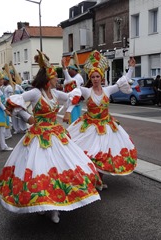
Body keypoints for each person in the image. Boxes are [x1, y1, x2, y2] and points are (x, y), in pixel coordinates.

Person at [0, 50, 101, 224]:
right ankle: (43, 203)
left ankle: (55, 207)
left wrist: (67, 112)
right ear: (47, 79)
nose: (57, 80)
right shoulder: (36, 93)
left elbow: (72, 98)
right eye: (54, 78)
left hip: (56, 135)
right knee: (40, 169)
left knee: (60, 167)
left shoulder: (56, 94)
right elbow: (15, 102)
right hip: (38, 137)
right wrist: (27, 117)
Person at [66, 50, 137, 191]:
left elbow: (122, 82)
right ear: (90, 78)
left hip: (106, 126)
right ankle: (92, 178)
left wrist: (131, 68)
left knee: (104, 153)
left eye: (98, 76)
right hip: (90, 126)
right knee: (91, 153)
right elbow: (74, 93)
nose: (95, 79)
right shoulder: (87, 91)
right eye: (93, 77)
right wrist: (68, 112)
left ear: (102, 77)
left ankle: (100, 180)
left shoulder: (108, 90)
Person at [61, 52, 84, 123]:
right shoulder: (69, 78)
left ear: (74, 70)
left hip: (75, 101)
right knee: (73, 120)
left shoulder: (76, 78)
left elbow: (78, 90)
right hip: (69, 101)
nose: (68, 70)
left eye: (70, 69)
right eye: (68, 68)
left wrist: (63, 67)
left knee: (74, 120)